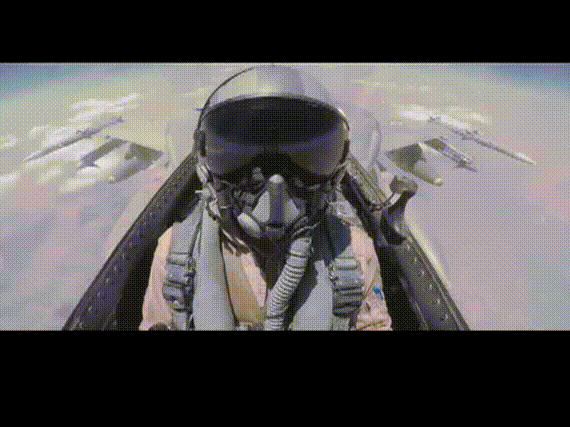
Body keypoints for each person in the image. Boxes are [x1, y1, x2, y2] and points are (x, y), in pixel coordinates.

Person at [139, 65, 392, 330]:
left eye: (303, 158)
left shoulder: (353, 256)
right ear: (206, 167)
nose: (276, 184)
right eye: (243, 157)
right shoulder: (177, 255)